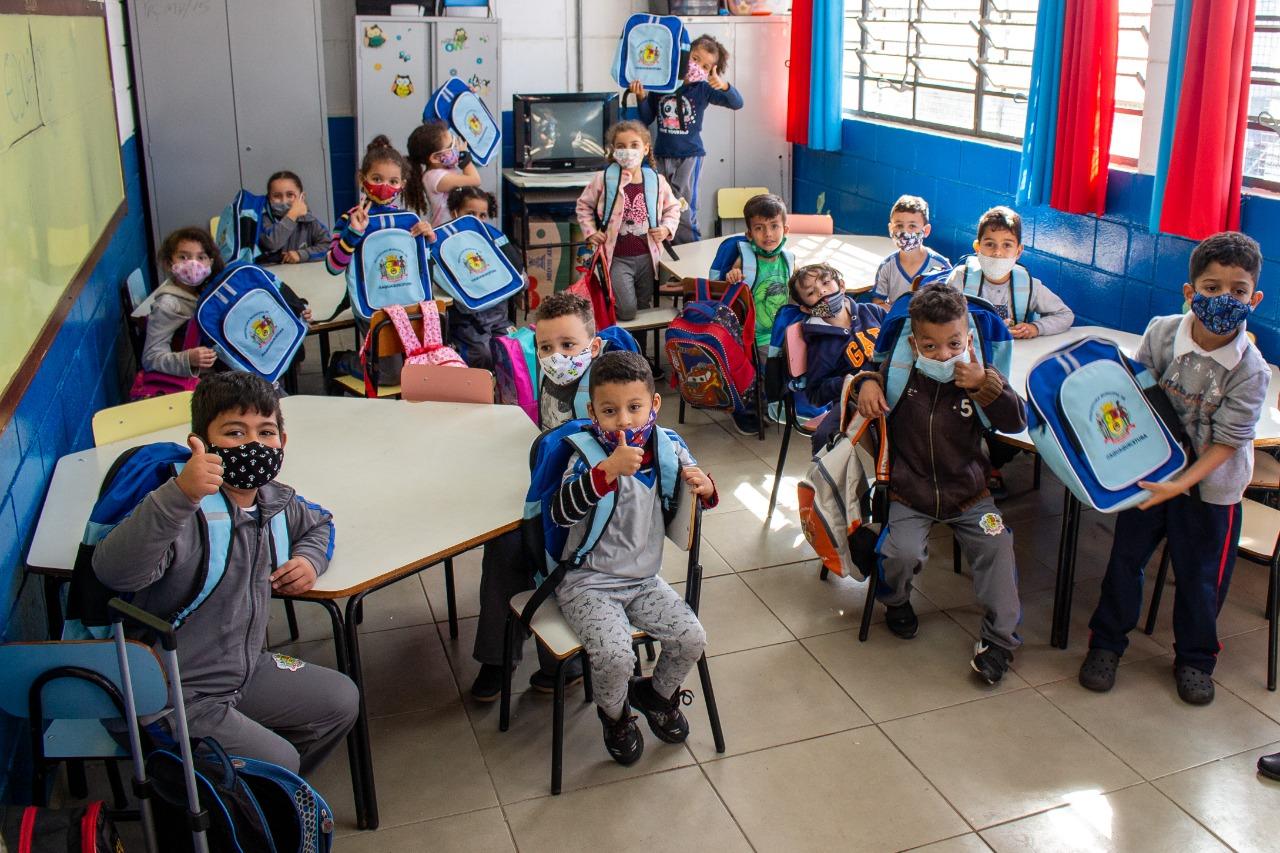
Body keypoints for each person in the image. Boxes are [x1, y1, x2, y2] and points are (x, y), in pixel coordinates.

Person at [92, 372, 359, 775]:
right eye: (234, 432)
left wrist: (308, 560)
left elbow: (320, 524)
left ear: (282, 442)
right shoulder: (181, 508)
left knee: (341, 699)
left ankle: (253, 795)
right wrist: (180, 494)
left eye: (266, 431)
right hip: (169, 692)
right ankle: (254, 789)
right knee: (279, 759)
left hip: (243, 669)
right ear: (201, 442)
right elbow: (115, 571)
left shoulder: (275, 501)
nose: (253, 443)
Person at [1079, 231, 1268, 706]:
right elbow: (1133, 396)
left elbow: (1228, 442)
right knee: (1125, 563)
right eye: (1211, 287)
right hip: (1150, 476)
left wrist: (1180, 484)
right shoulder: (1163, 332)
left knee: (1202, 579)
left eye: (1238, 290)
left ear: (1255, 299)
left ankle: (1196, 660)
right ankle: (1106, 645)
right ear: (1189, 292)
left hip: (1211, 491)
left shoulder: (1251, 370)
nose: (1224, 298)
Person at [853, 283, 1026, 684]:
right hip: (909, 492)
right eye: (930, 347)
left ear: (967, 338)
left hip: (971, 494)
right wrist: (866, 382)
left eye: (953, 343)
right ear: (914, 344)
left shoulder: (981, 376)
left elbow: (1015, 421)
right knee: (901, 553)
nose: (944, 354)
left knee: (997, 545)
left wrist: (986, 384)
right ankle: (895, 600)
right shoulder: (899, 371)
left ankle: (999, 642)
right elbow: (862, 379)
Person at [550, 350, 716, 763]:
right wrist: (606, 472)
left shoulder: (668, 448)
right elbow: (560, 512)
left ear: (653, 405)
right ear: (592, 411)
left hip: (642, 581)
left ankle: (655, 696)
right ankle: (616, 715)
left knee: (691, 637)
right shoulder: (585, 456)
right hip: (587, 585)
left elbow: (697, 497)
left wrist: (707, 489)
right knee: (614, 654)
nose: (623, 420)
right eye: (610, 411)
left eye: (634, 407)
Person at [470, 292, 613, 701]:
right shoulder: (552, 381)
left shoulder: (606, 394)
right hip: (555, 500)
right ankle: (510, 658)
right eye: (546, 347)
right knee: (505, 540)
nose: (556, 356)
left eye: (569, 346)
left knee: (512, 546)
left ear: (594, 346)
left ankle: (547, 659)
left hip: (595, 518)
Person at [946, 205, 1075, 497]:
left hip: (1012, 364)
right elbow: (937, 314)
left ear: (1019, 251)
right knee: (963, 408)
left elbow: (1065, 315)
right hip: (968, 361)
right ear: (977, 247)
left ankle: (991, 461)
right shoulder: (960, 278)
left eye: (1007, 246)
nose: (997, 253)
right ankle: (968, 461)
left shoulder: (1027, 284)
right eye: (989, 245)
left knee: (1009, 408)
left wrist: (1034, 328)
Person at [325, 135, 435, 385]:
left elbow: (423, 267)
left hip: (409, 301)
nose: (385, 186)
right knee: (390, 374)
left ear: (403, 184)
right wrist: (352, 235)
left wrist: (429, 239)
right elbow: (333, 266)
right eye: (377, 179)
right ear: (362, 178)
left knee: (416, 364)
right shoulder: (350, 219)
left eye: (393, 181)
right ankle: (343, 361)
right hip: (373, 306)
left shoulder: (407, 219)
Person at [631, 34, 743, 244]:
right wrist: (642, 97)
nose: (698, 66)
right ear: (684, 55)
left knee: (684, 206)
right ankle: (663, 249)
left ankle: (690, 250)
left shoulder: (703, 89)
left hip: (690, 157)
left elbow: (737, 103)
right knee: (658, 203)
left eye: (706, 66)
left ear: (712, 71)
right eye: (695, 58)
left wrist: (723, 85)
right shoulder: (663, 83)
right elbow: (647, 118)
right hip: (661, 155)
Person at [575, 120, 680, 322]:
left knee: (643, 307)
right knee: (627, 309)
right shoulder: (604, 179)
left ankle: (636, 353)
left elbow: (673, 207)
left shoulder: (656, 181)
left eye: (634, 145)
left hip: (648, 258)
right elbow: (583, 205)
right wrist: (590, 232)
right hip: (617, 258)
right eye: (621, 146)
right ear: (613, 150)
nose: (628, 151)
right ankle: (616, 338)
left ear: (645, 149)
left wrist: (667, 228)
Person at [785, 263, 887, 452]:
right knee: (824, 436)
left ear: (841, 285)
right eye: (811, 293)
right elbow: (815, 394)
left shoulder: (872, 312)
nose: (822, 292)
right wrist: (851, 382)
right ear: (807, 309)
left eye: (826, 283)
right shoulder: (820, 344)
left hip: (892, 383)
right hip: (854, 399)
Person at [136, 227, 225, 390]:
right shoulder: (168, 304)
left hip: (219, 370)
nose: (193, 264)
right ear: (170, 263)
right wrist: (188, 359)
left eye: (201, 257)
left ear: (210, 263)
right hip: (202, 382)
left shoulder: (206, 290)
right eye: (183, 257)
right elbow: (150, 358)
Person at [442, 187, 517, 370]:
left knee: (514, 347)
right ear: (455, 213)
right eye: (470, 213)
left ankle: (506, 393)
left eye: (482, 215)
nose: (477, 220)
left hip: (498, 317)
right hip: (468, 322)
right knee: (483, 354)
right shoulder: (444, 243)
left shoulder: (494, 236)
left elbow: (517, 267)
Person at [870, 194, 951, 307]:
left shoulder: (941, 266)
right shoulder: (887, 266)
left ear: (926, 230)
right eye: (899, 225)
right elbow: (878, 303)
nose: (904, 232)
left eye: (912, 226)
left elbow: (950, 307)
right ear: (890, 228)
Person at [404, 119, 483, 227]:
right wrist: (464, 157)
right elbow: (475, 180)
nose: (457, 147)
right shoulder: (434, 177)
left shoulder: (443, 170)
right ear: (435, 158)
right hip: (444, 233)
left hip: (454, 229)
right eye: (451, 146)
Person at [256, 170, 332, 264]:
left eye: (290, 195)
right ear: (268, 198)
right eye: (277, 196)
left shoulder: (309, 221)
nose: (284, 201)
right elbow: (272, 243)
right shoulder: (262, 220)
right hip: (269, 276)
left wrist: (302, 254)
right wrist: (292, 215)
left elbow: (329, 246)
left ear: (302, 197)